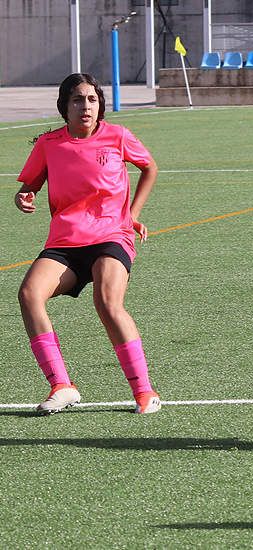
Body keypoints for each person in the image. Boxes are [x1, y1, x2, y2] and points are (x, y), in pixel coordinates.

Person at [15, 73, 161, 415]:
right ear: (65, 107)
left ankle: (144, 391)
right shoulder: (49, 143)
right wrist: (24, 196)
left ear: (100, 105)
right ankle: (62, 386)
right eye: (77, 100)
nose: (85, 106)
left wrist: (131, 214)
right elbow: (29, 186)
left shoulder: (118, 136)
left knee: (107, 302)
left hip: (112, 236)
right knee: (29, 295)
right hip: (65, 240)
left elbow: (149, 168)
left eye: (92, 100)